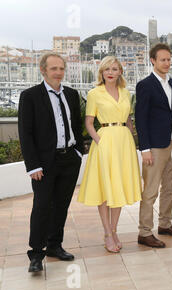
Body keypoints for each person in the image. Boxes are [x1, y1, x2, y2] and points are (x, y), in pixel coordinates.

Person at [18, 53, 83, 272]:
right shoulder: (30, 96)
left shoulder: (72, 95)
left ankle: (55, 245)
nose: (58, 73)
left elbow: (76, 124)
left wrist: (78, 152)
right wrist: (33, 165)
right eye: (53, 68)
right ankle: (36, 254)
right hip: (45, 163)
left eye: (61, 68)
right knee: (42, 206)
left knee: (61, 206)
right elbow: (25, 134)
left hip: (69, 159)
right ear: (43, 70)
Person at [78, 56, 142, 253]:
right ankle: (107, 232)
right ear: (102, 72)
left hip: (123, 143)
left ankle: (114, 230)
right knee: (106, 190)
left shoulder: (125, 92)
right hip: (105, 141)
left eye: (114, 69)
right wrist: (99, 140)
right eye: (107, 69)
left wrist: (130, 137)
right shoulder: (94, 93)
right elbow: (89, 122)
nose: (111, 72)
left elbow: (129, 119)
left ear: (120, 71)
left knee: (118, 187)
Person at [135, 43, 172, 248]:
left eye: (169, 59)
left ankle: (165, 224)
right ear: (153, 61)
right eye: (163, 59)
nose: (167, 63)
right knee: (150, 191)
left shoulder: (171, 83)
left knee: (170, 188)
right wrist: (144, 149)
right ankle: (144, 232)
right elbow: (141, 118)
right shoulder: (145, 85)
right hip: (154, 146)